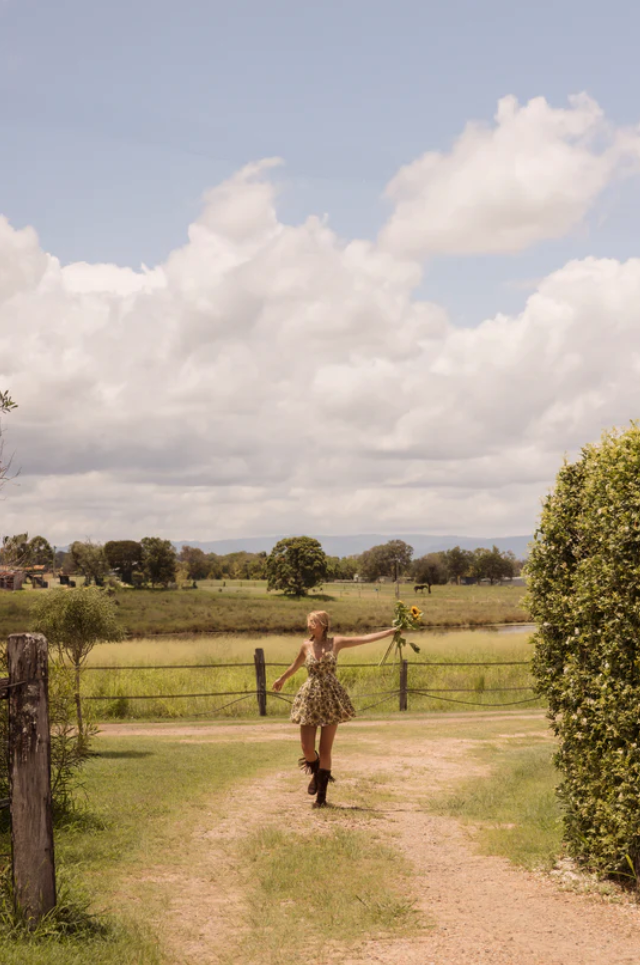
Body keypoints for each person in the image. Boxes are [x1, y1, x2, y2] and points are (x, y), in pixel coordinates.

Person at [272, 610, 396, 807]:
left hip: (331, 697)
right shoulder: (306, 645)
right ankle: (317, 772)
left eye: (313, 622)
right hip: (310, 698)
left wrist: (391, 632)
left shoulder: (336, 643)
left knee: (325, 749)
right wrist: (282, 679)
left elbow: (364, 639)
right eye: (309, 622)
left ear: (323, 624)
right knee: (307, 749)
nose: (309, 625)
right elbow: (295, 665)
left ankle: (321, 799)